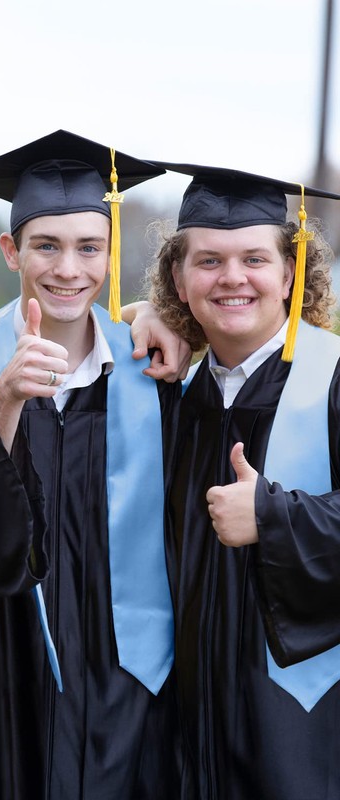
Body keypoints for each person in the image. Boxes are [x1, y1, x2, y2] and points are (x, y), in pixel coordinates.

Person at [0, 130, 182, 800]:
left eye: (89, 247)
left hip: (125, 682)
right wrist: (3, 398)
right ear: (12, 251)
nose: (69, 268)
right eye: (47, 246)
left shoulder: (154, 372)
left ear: (110, 252)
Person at [143, 163, 340, 800]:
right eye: (209, 261)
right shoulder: (167, 397)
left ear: (290, 271)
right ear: (178, 276)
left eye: (254, 258)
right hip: (188, 729)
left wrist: (274, 516)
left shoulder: (333, 377)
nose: (232, 278)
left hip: (307, 729)